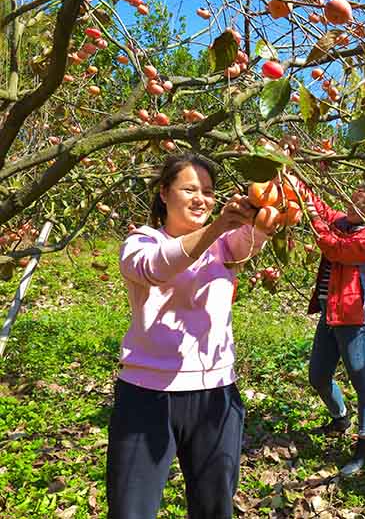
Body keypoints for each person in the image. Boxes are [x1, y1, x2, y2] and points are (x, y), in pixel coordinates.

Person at [108, 153, 270, 519]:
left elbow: (252, 238)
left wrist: (273, 195)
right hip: (147, 395)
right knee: (130, 510)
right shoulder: (141, 242)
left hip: (215, 395)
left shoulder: (224, 246)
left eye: (209, 192)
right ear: (164, 193)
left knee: (214, 508)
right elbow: (157, 267)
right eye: (190, 189)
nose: (202, 199)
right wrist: (216, 228)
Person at [299, 180, 365, 476]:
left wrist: (315, 220)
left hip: (353, 315)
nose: (350, 206)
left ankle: (364, 445)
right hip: (330, 312)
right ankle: (340, 418)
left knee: (361, 379)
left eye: (358, 204)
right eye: (350, 200)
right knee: (318, 376)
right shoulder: (343, 221)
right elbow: (321, 206)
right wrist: (288, 172)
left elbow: (335, 249)